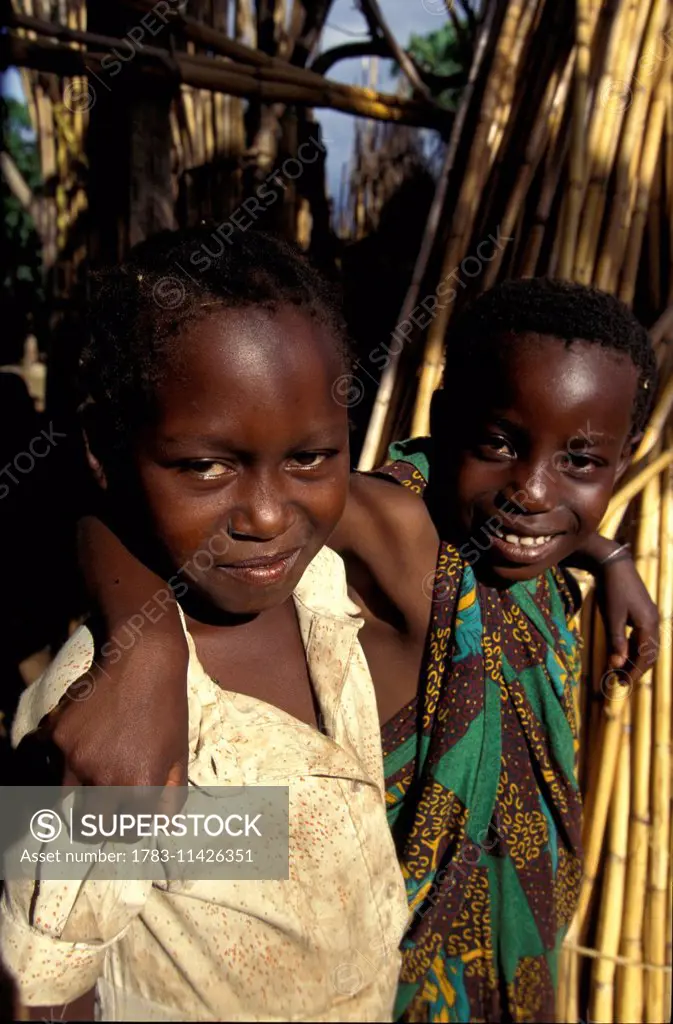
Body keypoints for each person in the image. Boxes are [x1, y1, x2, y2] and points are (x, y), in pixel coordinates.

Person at [12, 274, 659, 1023]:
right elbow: (134, 498)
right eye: (497, 443)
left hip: (489, 962)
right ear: (446, 422)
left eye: (579, 462)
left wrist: (607, 558)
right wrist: (144, 644)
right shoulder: (396, 537)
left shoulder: (536, 576)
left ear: (622, 458)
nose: (534, 492)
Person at [0, 227, 411, 1022]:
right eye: (206, 467)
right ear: (107, 453)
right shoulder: (98, 728)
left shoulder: (326, 589)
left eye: (310, 459)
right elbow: (47, 988)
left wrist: (605, 556)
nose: (264, 514)